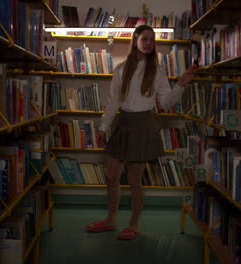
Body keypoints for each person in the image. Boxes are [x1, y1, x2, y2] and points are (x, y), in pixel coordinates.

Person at [86, 25, 198, 240]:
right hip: (123, 124)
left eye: (152, 40)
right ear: (135, 39)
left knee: (134, 179)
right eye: (145, 39)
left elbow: (165, 103)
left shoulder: (157, 70)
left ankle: (134, 225)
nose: (149, 43)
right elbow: (113, 102)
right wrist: (102, 128)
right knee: (111, 176)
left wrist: (182, 83)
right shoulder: (121, 70)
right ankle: (110, 220)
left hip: (143, 125)